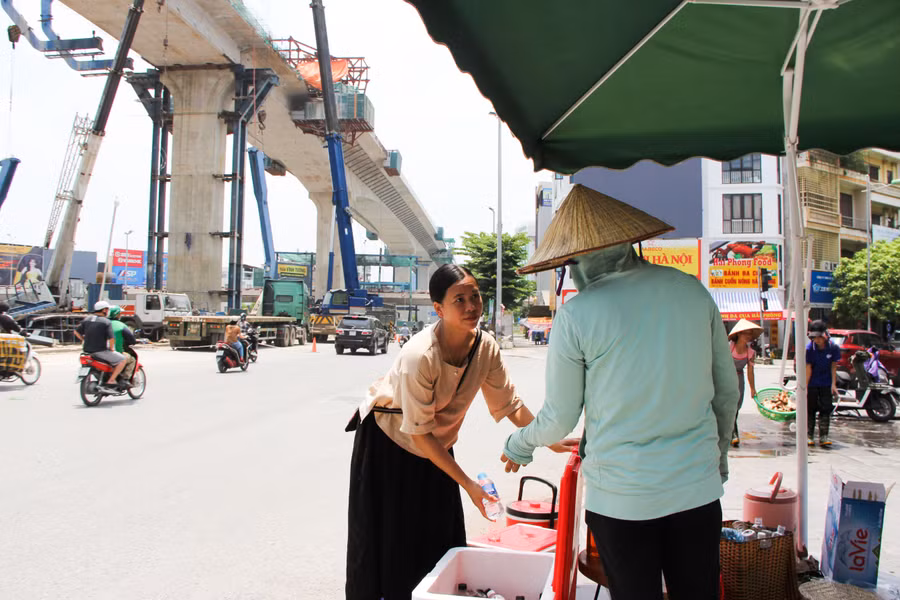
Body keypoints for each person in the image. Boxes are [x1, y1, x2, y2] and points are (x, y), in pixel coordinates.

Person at [501, 185, 739, 600]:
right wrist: (716, 458)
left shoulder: (577, 315)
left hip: (622, 501)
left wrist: (519, 443)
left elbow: (559, 418)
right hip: (696, 491)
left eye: (570, 264)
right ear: (629, 244)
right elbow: (726, 393)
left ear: (577, 261)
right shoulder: (692, 291)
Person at [345, 264, 576, 600]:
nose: (471, 306)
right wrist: (468, 484)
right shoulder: (418, 355)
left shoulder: (485, 347)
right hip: (389, 446)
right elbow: (419, 434)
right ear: (438, 308)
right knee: (392, 542)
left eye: (475, 296)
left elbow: (510, 404)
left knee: (441, 534)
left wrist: (548, 438)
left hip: (435, 444)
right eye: (459, 300)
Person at [74, 301, 127, 390]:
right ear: (104, 310)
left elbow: (76, 332)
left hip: (87, 351)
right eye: (107, 309)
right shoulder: (106, 322)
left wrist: (83, 339)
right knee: (122, 360)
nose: (107, 311)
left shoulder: (87, 319)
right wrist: (111, 349)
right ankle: (111, 380)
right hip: (101, 351)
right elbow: (111, 338)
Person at [728, 319, 761, 447]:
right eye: (746, 333)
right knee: (728, 406)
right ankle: (733, 433)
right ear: (739, 334)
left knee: (736, 406)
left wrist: (753, 389)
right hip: (727, 377)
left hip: (739, 379)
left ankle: (732, 432)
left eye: (750, 334)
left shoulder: (750, 352)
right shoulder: (729, 346)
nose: (748, 336)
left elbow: (750, 372)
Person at [806, 320, 839, 447]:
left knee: (825, 409)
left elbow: (833, 367)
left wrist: (833, 384)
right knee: (810, 410)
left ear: (824, 334)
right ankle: (809, 436)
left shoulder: (833, 347)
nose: (817, 340)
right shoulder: (809, 349)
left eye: (819, 337)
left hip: (826, 383)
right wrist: (805, 386)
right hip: (812, 384)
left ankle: (824, 436)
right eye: (814, 337)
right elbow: (808, 368)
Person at [107, 306, 137, 383]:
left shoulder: (104, 323)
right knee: (132, 359)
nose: (120, 315)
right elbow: (131, 339)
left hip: (101, 352)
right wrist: (133, 342)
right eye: (119, 314)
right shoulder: (121, 325)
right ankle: (125, 379)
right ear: (117, 315)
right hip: (115, 352)